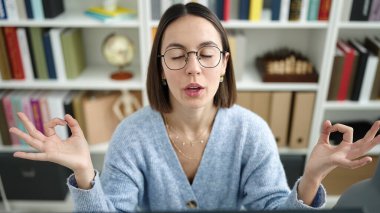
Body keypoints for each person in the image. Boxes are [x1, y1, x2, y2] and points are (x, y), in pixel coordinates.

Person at [9, 2, 380, 212]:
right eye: (177, 55)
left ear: (223, 66)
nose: (192, 67)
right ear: (160, 67)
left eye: (206, 54)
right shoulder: (131, 135)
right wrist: (87, 175)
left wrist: (311, 179)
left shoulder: (251, 132)